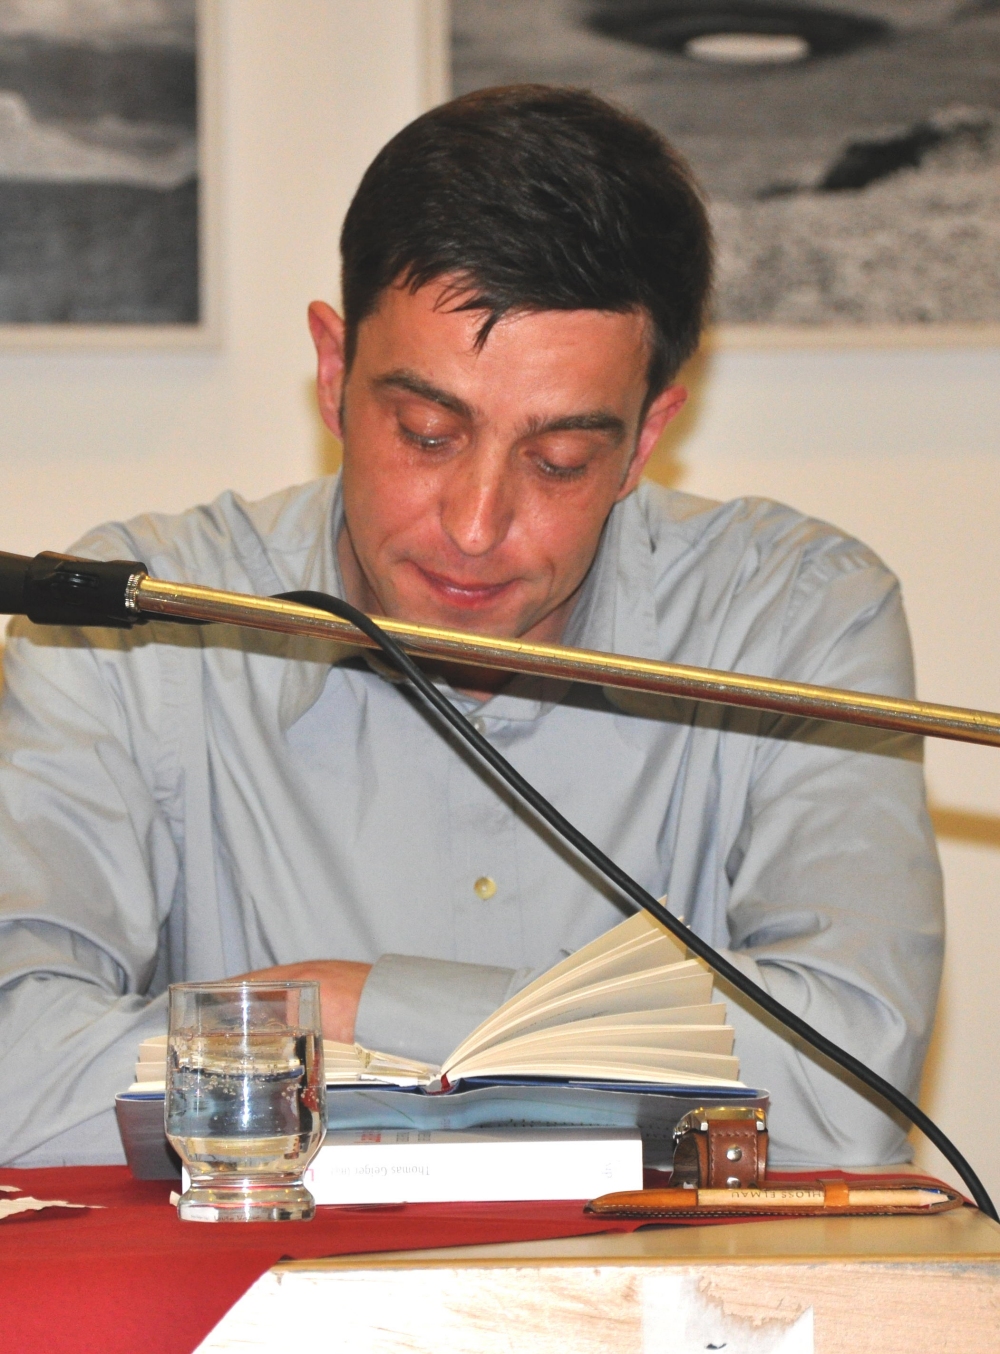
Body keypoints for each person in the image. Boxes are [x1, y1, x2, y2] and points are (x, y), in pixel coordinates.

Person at [0, 86, 942, 1170]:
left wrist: (359, 1010)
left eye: (559, 461)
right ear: (333, 371)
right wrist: (596, 1060)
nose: (477, 524)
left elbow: (843, 1100)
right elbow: (18, 1077)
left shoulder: (796, 618)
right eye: (427, 432)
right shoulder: (131, 625)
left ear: (645, 439)